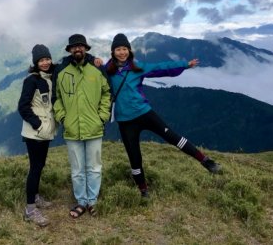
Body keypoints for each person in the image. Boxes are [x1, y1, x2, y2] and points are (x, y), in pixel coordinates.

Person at [105, 33, 221, 198]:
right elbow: (90, 72)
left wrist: (184, 65)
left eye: (125, 49)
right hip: (125, 121)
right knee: (134, 157)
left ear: (129, 51)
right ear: (113, 51)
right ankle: (143, 191)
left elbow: (161, 67)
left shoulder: (138, 67)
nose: (122, 52)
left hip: (145, 113)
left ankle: (206, 161)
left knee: (173, 137)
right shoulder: (107, 70)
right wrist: (93, 61)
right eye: (118, 49)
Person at [53, 34, 111, 218]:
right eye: (74, 47)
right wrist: (63, 118)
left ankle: (92, 202)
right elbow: (56, 98)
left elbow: (106, 93)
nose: (78, 49)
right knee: (77, 169)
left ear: (85, 49)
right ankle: (81, 202)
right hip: (72, 129)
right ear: (70, 50)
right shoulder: (61, 71)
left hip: (94, 128)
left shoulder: (96, 70)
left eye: (81, 46)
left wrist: (102, 117)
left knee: (94, 167)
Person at [18, 44, 57, 226]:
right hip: (35, 133)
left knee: (40, 165)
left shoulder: (50, 77)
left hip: (46, 132)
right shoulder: (31, 80)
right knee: (35, 168)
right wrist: (38, 125)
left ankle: (35, 197)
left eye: (47, 59)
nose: (45, 62)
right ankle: (30, 209)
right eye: (41, 60)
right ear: (35, 62)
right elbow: (23, 106)